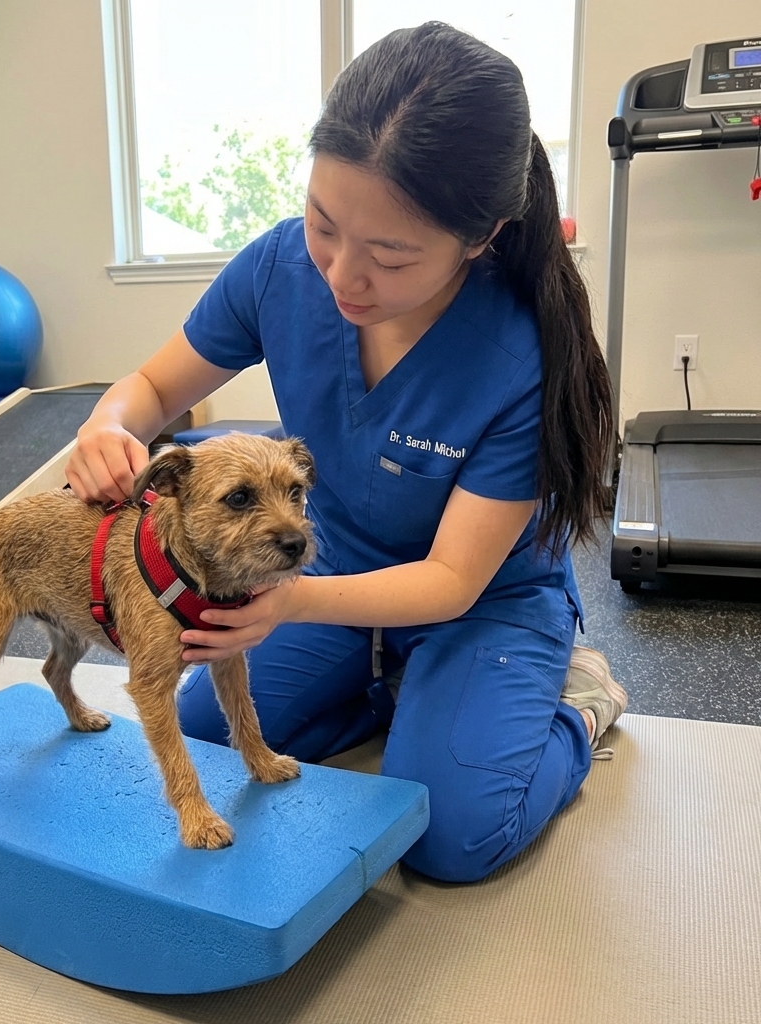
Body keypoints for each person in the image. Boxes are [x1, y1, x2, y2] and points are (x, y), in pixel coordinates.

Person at [65, 22, 628, 883]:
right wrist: (109, 425)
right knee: (212, 740)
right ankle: (392, 694)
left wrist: (287, 605)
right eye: (324, 224)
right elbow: (150, 388)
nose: (340, 277)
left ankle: (576, 706)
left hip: (477, 603)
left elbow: (451, 580)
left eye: (391, 257)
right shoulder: (275, 269)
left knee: (451, 837)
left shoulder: (518, 357)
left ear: (482, 237)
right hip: (324, 575)